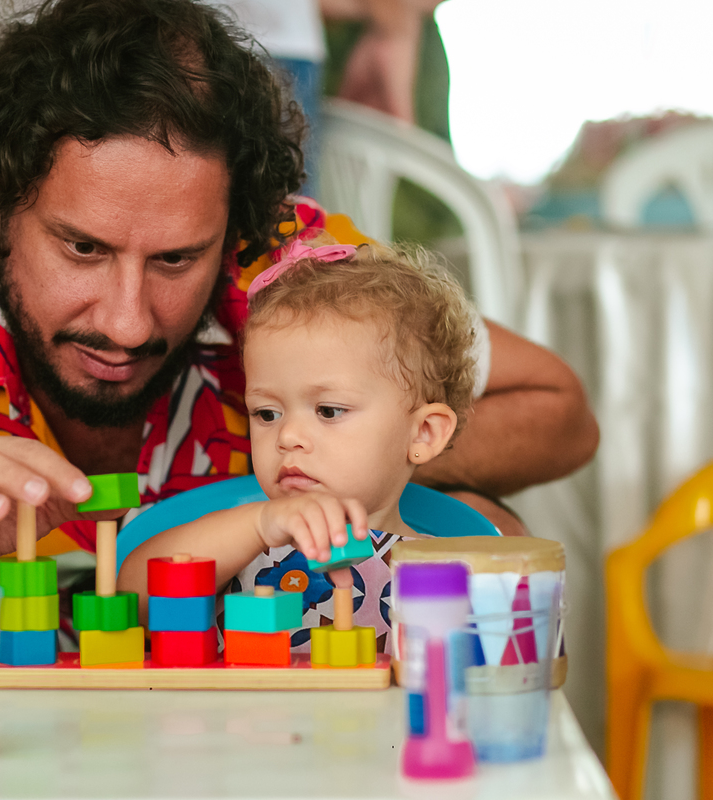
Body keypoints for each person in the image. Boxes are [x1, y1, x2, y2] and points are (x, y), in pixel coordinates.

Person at [0, 0, 598, 752]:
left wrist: (340, 459)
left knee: (490, 527)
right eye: (82, 248)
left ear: (236, 233)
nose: (128, 320)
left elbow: (559, 410)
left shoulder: (291, 280)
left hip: (250, 749)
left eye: (177, 259)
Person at [118, 232, 477, 651]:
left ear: (423, 433)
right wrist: (258, 525)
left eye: (328, 411)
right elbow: (133, 599)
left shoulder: (448, 573)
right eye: (267, 414)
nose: (287, 437)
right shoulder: (242, 546)